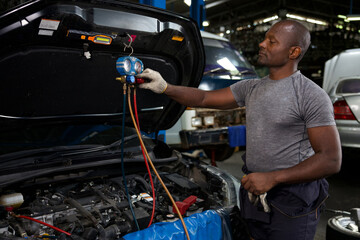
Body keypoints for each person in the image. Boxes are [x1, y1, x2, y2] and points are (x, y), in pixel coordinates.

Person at [137, 20, 342, 240]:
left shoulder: (310, 96)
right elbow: (204, 97)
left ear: (293, 52)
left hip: (291, 200)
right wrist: (165, 87)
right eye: (265, 39)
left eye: (272, 41)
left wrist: (273, 178)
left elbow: (330, 159)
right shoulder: (251, 87)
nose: (262, 44)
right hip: (254, 191)